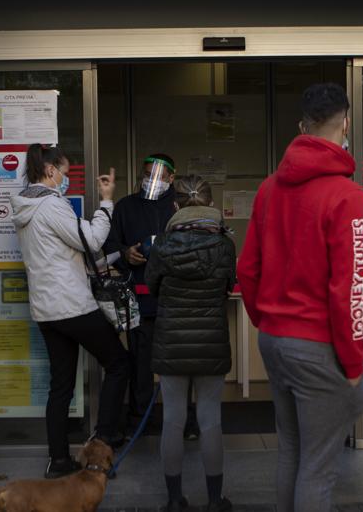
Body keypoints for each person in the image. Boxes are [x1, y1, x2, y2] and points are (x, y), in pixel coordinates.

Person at [237, 82, 363, 512]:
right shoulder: (349, 196)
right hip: (318, 346)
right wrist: (353, 363)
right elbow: (350, 288)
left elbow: (247, 269)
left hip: (275, 339)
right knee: (318, 467)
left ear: (301, 126)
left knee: (292, 453)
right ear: (345, 123)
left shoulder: (269, 189)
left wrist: (267, 321)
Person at [11, 143, 128, 478]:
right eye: (65, 172)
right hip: (72, 305)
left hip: (47, 310)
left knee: (60, 384)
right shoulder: (50, 205)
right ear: (50, 171)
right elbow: (90, 240)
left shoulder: (25, 206)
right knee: (119, 363)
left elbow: (63, 254)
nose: (67, 179)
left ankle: (58, 460)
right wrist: (107, 201)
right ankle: (101, 447)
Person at [147, 175, 236, 512]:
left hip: (171, 341)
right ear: (211, 203)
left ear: (175, 206)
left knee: (173, 419)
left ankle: (174, 499)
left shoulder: (162, 245)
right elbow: (228, 286)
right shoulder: (225, 245)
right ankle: (215, 500)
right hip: (211, 340)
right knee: (211, 419)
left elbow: (153, 287)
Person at [103, 153, 179, 431]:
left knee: (179, 367)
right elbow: (109, 246)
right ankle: (139, 420)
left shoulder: (179, 206)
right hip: (139, 298)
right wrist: (126, 254)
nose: (152, 181)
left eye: (158, 176)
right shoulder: (125, 207)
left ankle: (184, 420)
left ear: (172, 177)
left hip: (176, 302)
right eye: (147, 175)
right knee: (140, 364)